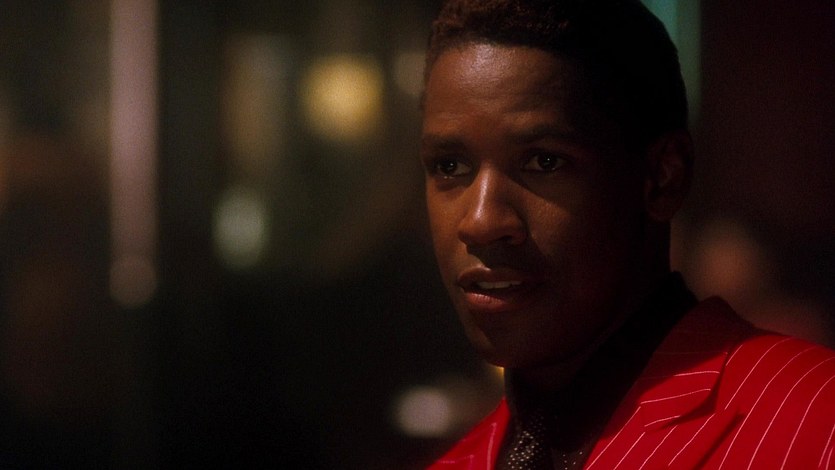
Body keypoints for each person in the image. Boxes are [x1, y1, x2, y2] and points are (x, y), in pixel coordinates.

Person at [419, 0, 835, 468]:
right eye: (450, 167)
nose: (479, 220)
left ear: (662, 178)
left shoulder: (815, 421)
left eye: (544, 162)